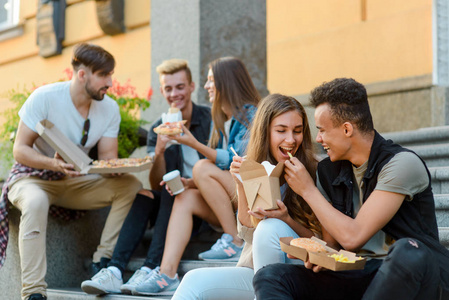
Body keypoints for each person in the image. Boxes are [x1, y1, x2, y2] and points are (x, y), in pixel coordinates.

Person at [253, 78, 449, 300]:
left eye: (322, 130)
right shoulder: (328, 171)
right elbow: (333, 245)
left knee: (408, 251)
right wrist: (319, 257)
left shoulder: (402, 163)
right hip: (357, 274)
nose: (318, 139)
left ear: (347, 129)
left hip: (414, 276)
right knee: (270, 276)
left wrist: (307, 190)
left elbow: (353, 237)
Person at [0, 43, 143, 300]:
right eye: (104, 75)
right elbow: (20, 150)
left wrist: (126, 166)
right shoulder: (44, 98)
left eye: (111, 75)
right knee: (34, 202)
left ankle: (102, 261)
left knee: (130, 185)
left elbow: (107, 159)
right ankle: (33, 292)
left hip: (75, 180)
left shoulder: (109, 109)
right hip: (33, 178)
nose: (110, 82)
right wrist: (52, 163)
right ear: (82, 75)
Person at [127, 56, 261, 296]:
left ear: (226, 83)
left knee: (200, 167)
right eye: (207, 81)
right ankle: (167, 274)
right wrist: (192, 181)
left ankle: (235, 240)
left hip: (250, 201)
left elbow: (242, 164)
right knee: (184, 196)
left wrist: (193, 144)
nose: (207, 86)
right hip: (231, 203)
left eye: (211, 81)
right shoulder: (224, 119)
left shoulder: (251, 116)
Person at [171, 93, 324, 300]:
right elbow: (248, 233)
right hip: (255, 269)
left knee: (270, 227)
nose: (291, 139)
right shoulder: (256, 167)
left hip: (298, 271)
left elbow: (323, 243)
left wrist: (286, 219)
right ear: (265, 132)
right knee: (192, 282)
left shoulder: (314, 171)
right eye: (281, 131)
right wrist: (240, 184)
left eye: (297, 131)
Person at [81, 59, 212, 295]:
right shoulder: (158, 127)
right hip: (171, 200)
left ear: (192, 87)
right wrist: (160, 151)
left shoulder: (210, 119)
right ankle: (114, 270)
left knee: (175, 192)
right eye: (169, 89)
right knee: (144, 194)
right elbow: (155, 183)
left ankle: (151, 267)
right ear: (162, 91)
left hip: (201, 204)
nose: (175, 94)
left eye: (180, 87)